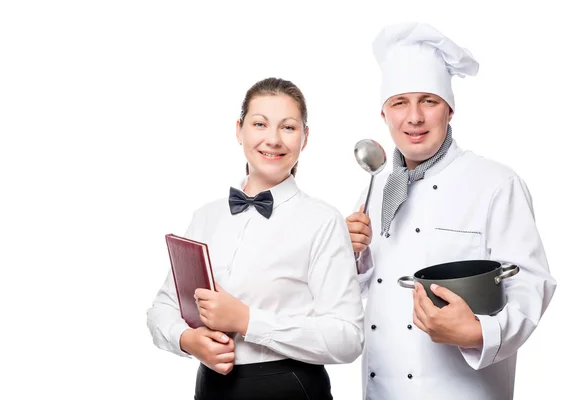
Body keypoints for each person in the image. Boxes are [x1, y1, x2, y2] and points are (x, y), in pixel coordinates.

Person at [346, 22, 557, 399]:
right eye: (399, 103)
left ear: (449, 110)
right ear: (384, 115)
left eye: (428, 101)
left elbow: (530, 283)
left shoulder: (495, 183)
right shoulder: (376, 187)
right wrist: (352, 255)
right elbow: (371, 290)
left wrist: (479, 333)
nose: (414, 117)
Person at [147, 77, 365, 400]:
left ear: (305, 138)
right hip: (211, 388)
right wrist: (187, 340)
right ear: (239, 130)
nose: (272, 140)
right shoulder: (206, 216)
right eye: (260, 124)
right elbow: (162, 307)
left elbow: (348, 337)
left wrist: (248, 320)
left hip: (290, 388)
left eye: (288, 127)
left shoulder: (323, 221)